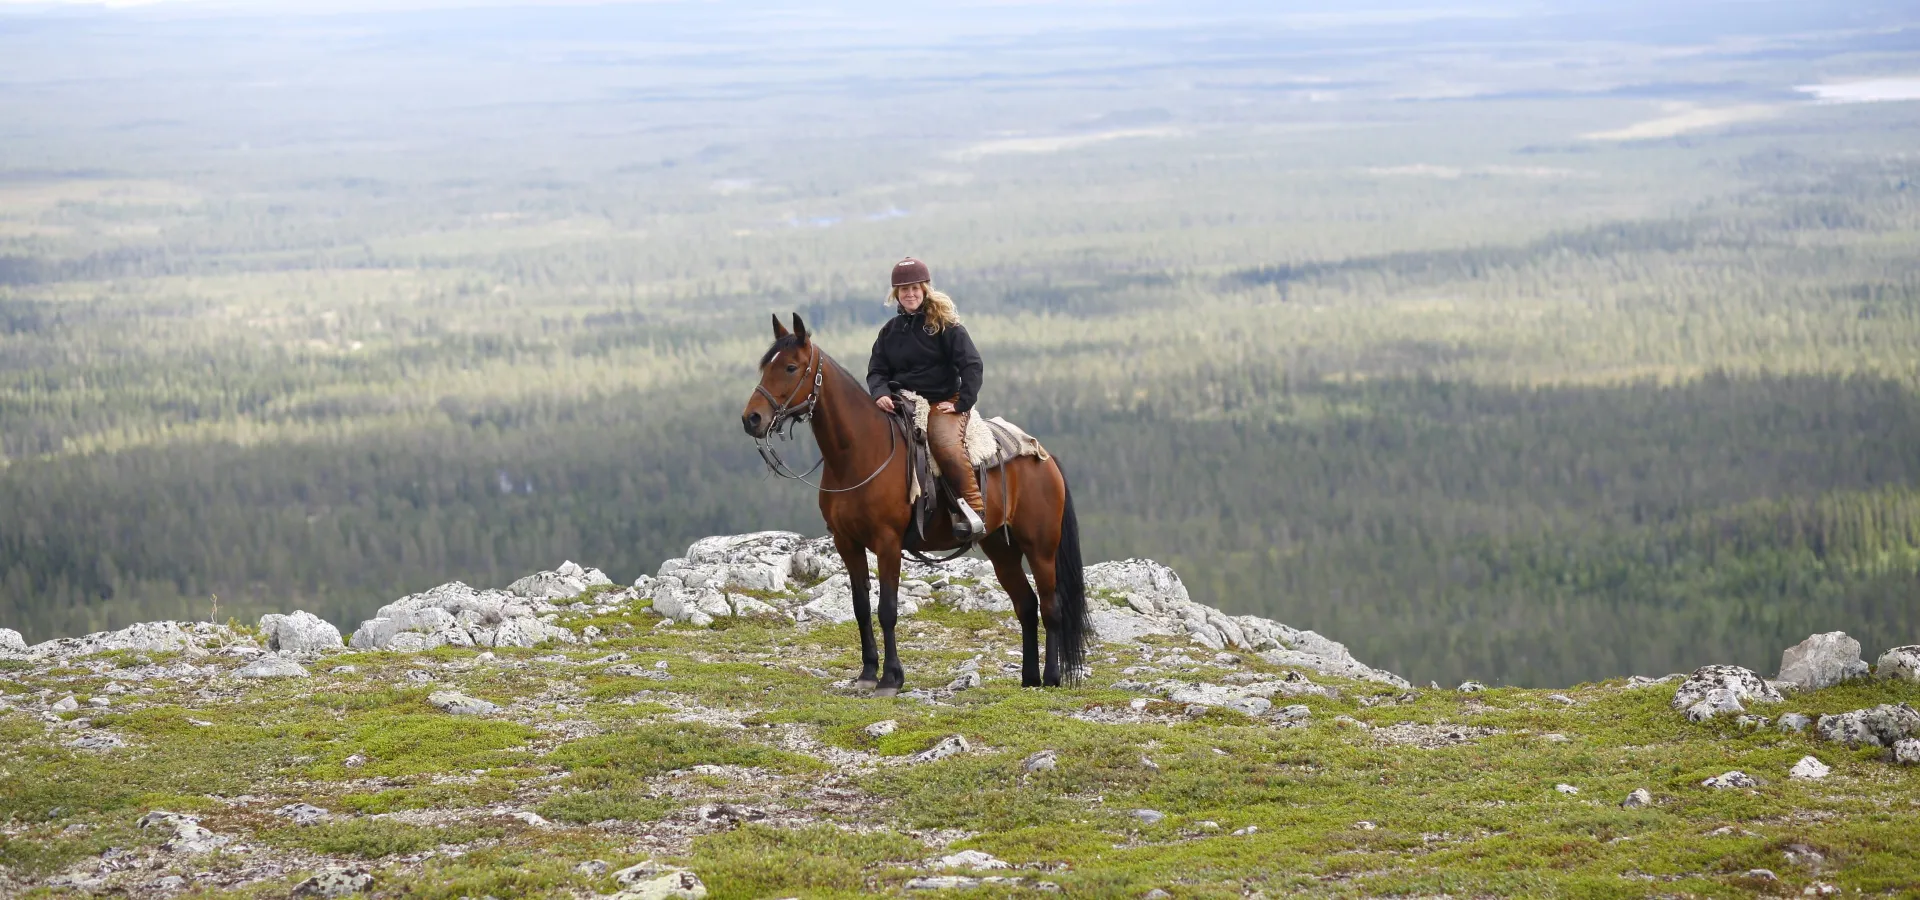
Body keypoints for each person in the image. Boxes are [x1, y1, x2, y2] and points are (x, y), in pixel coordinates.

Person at [867, 257, 988, 540]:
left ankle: (975, 511)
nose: (909, 294)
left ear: (924, 289)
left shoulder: (945, 325)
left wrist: (961, 404)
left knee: (944, 444)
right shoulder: (890, 331)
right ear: (895, 293)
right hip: (902, 401)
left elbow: (972, 365)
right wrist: (880, 393)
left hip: (942, 401)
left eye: (914, 288)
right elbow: (876, 370)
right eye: (903, 289)